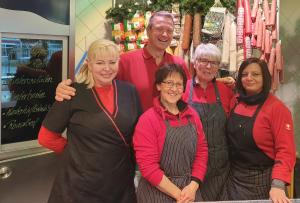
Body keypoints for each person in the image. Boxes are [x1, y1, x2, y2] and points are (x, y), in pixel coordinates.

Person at [38, 39, 142, 203]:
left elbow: (138, 135)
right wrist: (77, 154)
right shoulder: (72, 93)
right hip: (80, 186)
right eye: (100, 63)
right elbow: (46, 138)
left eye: (112, 62)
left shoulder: (129, 91)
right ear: (89, 63)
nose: (107, 68)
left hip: (120, 183)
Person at [56, 11, 190, 112]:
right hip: (131, 138)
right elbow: (96, 86)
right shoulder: (125, 61)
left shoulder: (179, 64)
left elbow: (186, 97)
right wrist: (68, 89)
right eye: (159, 29)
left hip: (170, 135)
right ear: (148, 31)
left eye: (169, 31)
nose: (165, 34)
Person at [133, 63, 208, 203]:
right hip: (157, 192)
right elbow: (148, 167)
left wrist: (192, 187)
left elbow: (202, 152)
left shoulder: (192, 115)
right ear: (158, 86)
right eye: (169, 83)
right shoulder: (147, 120)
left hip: (189, 190)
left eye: (179, 84)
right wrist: (180, 196)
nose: (174, 89)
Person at [225, 57, 296, 202]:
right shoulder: (236, 101)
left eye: (255, 74)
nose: (249, 78)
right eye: (244, 74)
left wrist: (278, 185)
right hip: (234, 179)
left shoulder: (277, 109)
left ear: (265, 77)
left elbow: (286, 151)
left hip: (263, 182)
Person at [182, 43, 234, 201]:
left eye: (214, 62)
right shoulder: (182, 89)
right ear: (194, 62)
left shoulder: (226, 91)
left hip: (221, 168)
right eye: (204, 60)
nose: (209, 66)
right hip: (190, 166)